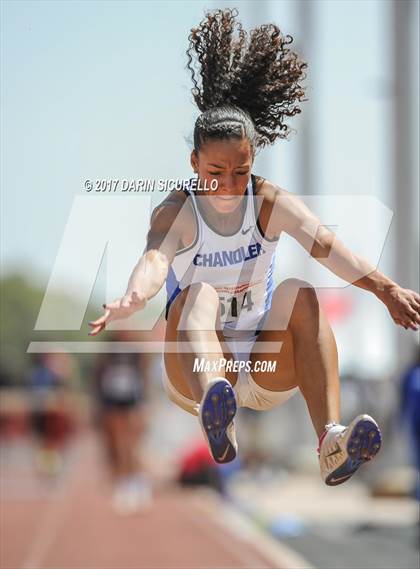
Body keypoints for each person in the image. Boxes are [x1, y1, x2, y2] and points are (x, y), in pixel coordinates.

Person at [89, 9, 420, 486]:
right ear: (194, 162)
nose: (227, 186)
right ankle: (216, 410)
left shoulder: (267, 201)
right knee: (197, 295)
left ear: (253, 160)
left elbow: (327, 245)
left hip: (264, 365)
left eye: (240, 172)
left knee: (301, 293)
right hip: (196, 370)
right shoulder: (176, 211)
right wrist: (134, 297)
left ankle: (329, 439)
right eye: (215, 173)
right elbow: (156, 260)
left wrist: (385, 288)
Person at [93, 331, 152, 513]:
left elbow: (144, 376)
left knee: (133, 445)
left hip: (133, 400)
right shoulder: (108, 349)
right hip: (112, 400)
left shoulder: (137, 350)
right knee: (118, 445)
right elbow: (99, 375)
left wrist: (145, 405)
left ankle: (139, 484)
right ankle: (123, 486)